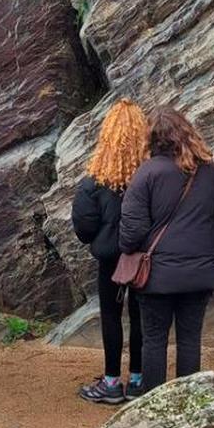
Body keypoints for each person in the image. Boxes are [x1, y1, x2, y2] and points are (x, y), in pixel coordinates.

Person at [120, 106, 214, 393]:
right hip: (199, 271)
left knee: (154, 340)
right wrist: (204, 246)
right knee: (189, 339)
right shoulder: (210, 172)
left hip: (156, 274)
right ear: (186, 132)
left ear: (151, 137)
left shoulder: (145, 174)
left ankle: (153, 405)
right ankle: (188, 402)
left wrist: (132, 249)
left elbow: (131, 232)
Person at [71, 99, 148, 404]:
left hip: (111, 261)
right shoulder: (153, 177)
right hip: (145, 259)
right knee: (142, 317)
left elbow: (83, 226)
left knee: (111, 316)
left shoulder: (95, 183)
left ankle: (112, 381)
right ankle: (139, 379)